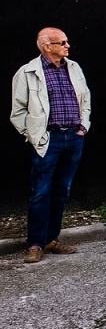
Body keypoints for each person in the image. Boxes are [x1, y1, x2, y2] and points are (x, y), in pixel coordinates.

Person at [9, 28, 92, 263]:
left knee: (62, 191)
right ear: (46, 47)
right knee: (41, 192)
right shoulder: (27, 73)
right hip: (49, 140)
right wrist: (35, 135)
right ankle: (35, 244)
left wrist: (83, 127)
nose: (67, 46)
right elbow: (18, 112)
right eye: (62, 42)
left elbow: (85, 99)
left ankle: (51, 239)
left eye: (66, 41)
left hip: (73, 138)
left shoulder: (73, 68)